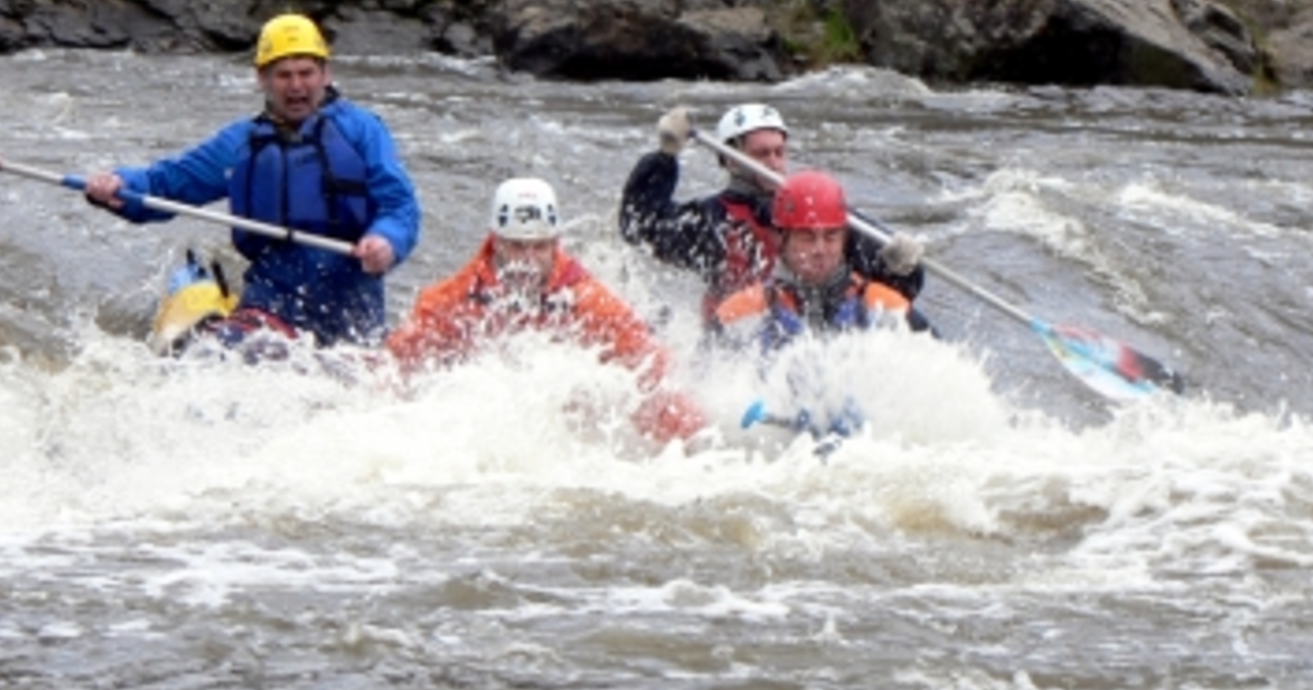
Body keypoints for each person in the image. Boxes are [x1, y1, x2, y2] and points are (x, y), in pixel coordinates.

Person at [85, 13, 421, 347]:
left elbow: (399, 205)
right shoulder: (241, 143)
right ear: (262, 78)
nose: (296, 86)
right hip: (272, 298)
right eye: (283, 75)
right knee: (225, 355)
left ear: (325, 74)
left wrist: (386, 240)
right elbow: (168, 183)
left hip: (351, 306)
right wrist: (119, 184)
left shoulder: (362, 131)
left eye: (306, 73)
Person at [386, 177, 709, 448]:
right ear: (495, 242)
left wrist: (692, 440)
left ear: (555, 243)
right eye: (516, 246)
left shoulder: (589, 302)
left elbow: (652, 371)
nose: (528, 260)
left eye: (540, 247)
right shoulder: (449, 299)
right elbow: (393, 370)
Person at [618, 103, 925, 325]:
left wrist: (902, 266)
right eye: (761, 154)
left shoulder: (818, 208)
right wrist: (664, 157)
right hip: (741, 333)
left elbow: (899, 290)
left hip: (818, 330)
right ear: (729, 159)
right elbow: (638, 225)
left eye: (779, 152)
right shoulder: (710, 221)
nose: (774, 163)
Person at [713, 169, 930, 346]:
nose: (820, 249)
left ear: (844, 238)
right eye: (807, 237)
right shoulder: (742, 312)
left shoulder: (882, 305)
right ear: (781, 239)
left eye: (831, 236)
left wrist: (911, 271)